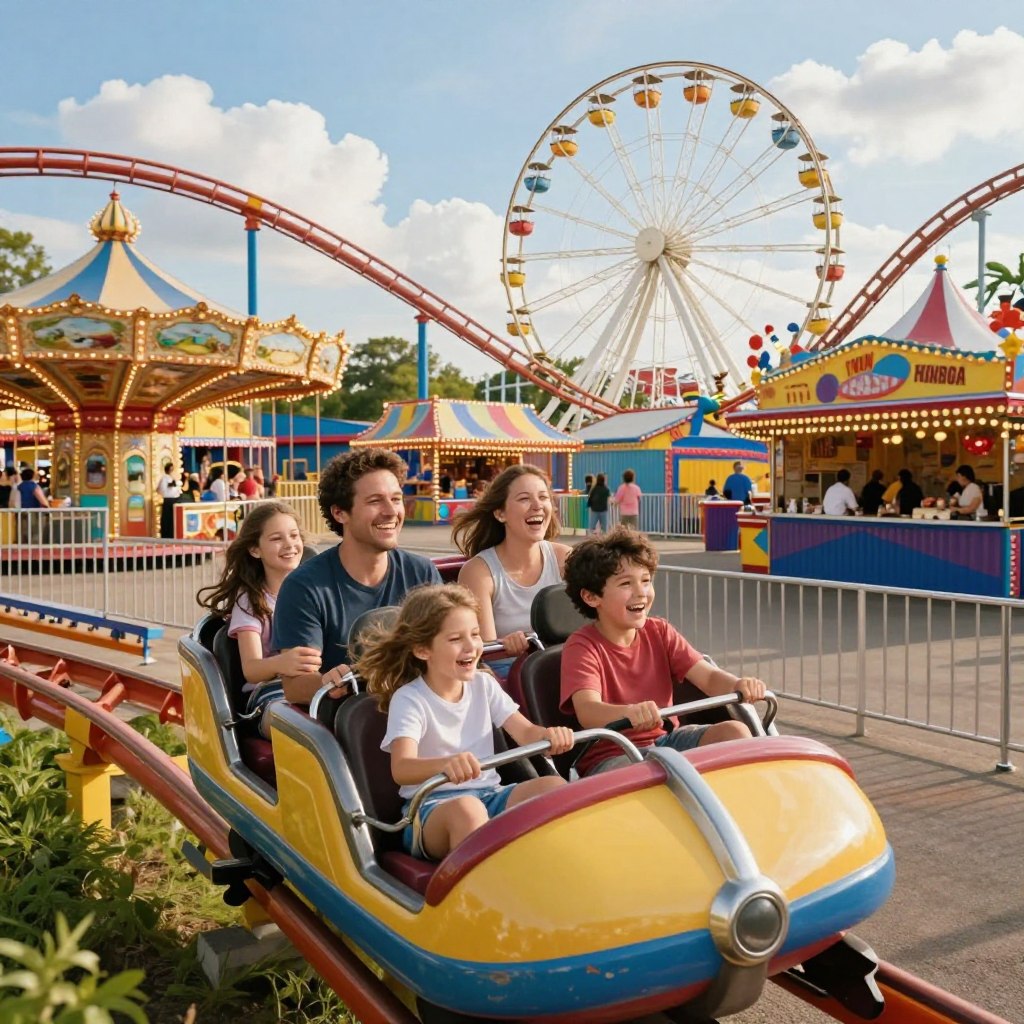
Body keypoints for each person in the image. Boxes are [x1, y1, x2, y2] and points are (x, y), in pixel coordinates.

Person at [357, 584, 572, 860]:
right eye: (456, 639)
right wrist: (445, 765)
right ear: (423, 650)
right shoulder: (409, 699)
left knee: (553, 789)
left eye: (475, 634)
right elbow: (402, 768)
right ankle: (483, 895)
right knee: (469, 811)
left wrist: (550, 737)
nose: (472, 647)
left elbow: (526, 732)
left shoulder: (484, 684)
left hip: (490, 795)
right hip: (432, 810)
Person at [559, 528, 765, 776]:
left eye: (646, 580)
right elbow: (588, 710)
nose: (641, 592)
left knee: (736, 732)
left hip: (665, 741)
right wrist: (629, 713)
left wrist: (738, 684)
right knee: (644, 773)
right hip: (614, 753)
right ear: (592, 597)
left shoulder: (659, 631)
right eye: (626, 583)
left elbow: (708, 677)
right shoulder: (582, 646)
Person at [273, 448, 442, 705]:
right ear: (340, 513)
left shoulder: (422, 572)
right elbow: (296, 687)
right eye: (375, 501)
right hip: (352, 717)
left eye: (396, 499)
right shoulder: (305, 586)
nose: (390, 511)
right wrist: (330, 682)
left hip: (421, 708)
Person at [197, 502, 322, 735]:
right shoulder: (252, 601)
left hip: (315, 686)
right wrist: (282, 664)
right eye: (277, 539)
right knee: (303, 727)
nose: (290, 545)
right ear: (255, 550)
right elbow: (252, 669)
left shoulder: (316, 594)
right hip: (271, 692)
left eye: (294, 536)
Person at [454, 465, 570, 669]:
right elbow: (482, 652)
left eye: (543, 497)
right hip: (505, 676)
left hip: (566, 667)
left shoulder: (566, 559)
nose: (537, 506)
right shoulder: (479, 572)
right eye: (525, 499)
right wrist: (505, 646)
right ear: (500, 513)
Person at [156, 461, 181, 539]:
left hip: (175, 500)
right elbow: (160, 489)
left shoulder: (173, 478)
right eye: (171, 469)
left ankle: (172, 534)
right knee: (167, 519)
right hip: (168, 499)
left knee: (172, 519)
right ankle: (166, 535)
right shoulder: (164, 478)